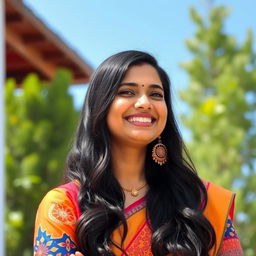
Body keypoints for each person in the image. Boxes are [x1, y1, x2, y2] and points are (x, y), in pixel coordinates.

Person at [33, 50, 243, 256]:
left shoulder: (202, 202)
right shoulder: (63, 206)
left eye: (156, 94)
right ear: (100, 106)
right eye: (127, 92)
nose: (145, 103)